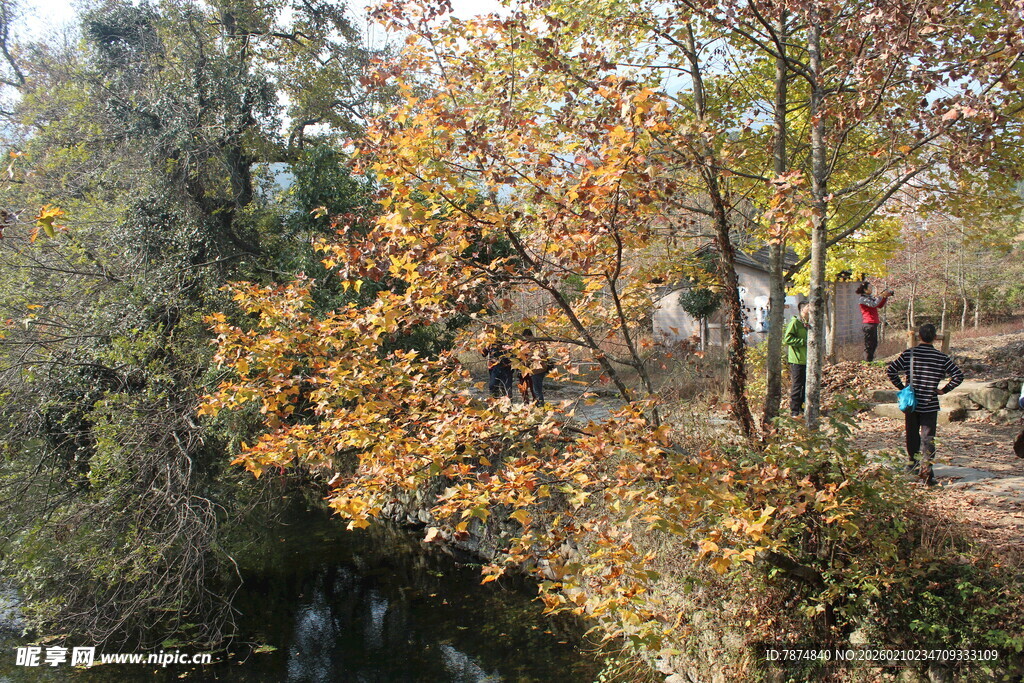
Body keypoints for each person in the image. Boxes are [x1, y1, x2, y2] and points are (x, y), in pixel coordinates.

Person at [886, 323, 964, 486]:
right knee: (928, 438)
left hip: (911, 403)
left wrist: (903, 388)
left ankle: (912, 465)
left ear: (919, 337)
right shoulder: (941, 357)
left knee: (912, 435)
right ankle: (927, 471)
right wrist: (944, 390)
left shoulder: (909, 354)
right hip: (930, 402)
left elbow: (891, 370)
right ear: (935, 338)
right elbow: (958, 375)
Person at [783, 301, 810, 417]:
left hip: (807, 359)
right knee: (797, 385)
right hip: (797, 359)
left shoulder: (809, 323)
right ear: (802, 309)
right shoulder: (795, 322)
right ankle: (794, 411)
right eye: (808, 306)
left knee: (806, 385)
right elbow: (787, 339)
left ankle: (803, 408)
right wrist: (803, 342)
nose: (811, 308)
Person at [857, 281, 894, 362]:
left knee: (874, 343)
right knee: (869, 344)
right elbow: (873, 304)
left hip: (873, 323)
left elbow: (879, 305)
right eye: (870, 287)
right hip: (868, 323)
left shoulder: (870, 298)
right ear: (865, 290)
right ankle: (867, 362)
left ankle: (870, 360)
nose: (872, 289)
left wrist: (885, 297)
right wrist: (880, 296)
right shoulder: (863, 299)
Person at [517, 329, 551, 405]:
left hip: (536, 370)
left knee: (536, 389)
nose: (526, 340)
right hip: (539, 369)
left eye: (526, 337)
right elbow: (546, 355)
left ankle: (539, 404)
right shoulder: (540, 343)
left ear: (528, 336)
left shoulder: (533, 344)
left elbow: (530, 358)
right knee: (536, 388)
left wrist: (525, 363)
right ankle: (537, 403)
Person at [481, 330, 513, 398]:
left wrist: (509, 364)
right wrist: (486, 347)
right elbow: (483, 354)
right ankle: (494, 401)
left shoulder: (507, 344)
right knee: (493, 386)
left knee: (507, 388)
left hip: (506, 368)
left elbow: (514, 356)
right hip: (494, 369)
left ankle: (508, 402)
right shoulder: (490, 344)